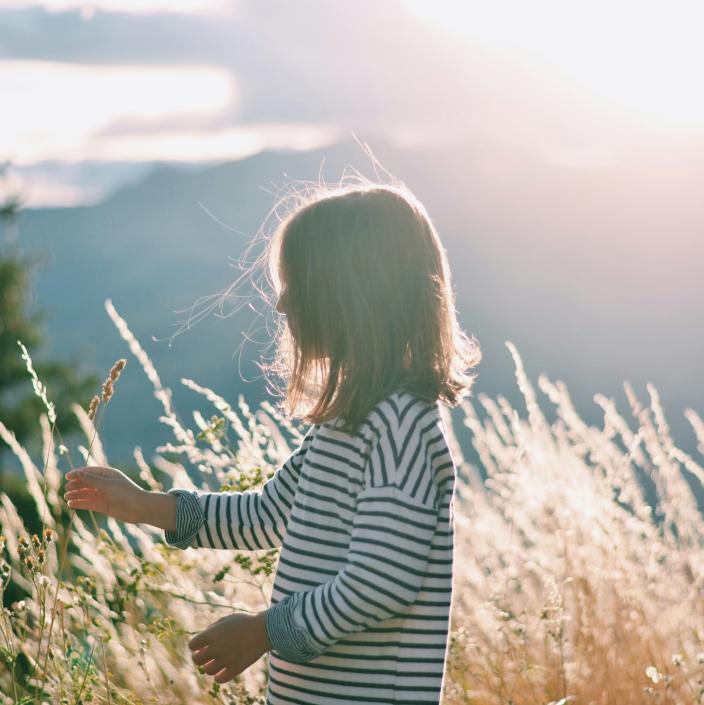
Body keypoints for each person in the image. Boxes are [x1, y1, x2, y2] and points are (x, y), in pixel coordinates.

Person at [63, 177, 481, 704]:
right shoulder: (344, 423)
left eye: (297, 285)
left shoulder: (400, 427)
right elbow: (268, 513)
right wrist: (146, 506)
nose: (282, 305)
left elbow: (381, 582)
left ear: (353, 296)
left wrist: (263, 631)